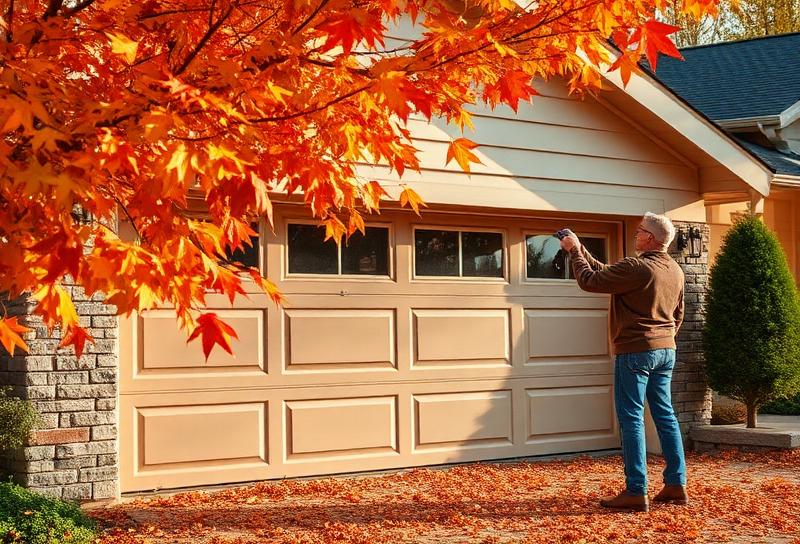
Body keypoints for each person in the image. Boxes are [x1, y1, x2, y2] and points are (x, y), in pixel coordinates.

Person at [559, 213, 687, 513]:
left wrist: (575, 252)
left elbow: (590, 281)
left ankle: (635, 490)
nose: (636, 234)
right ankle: (675, 484)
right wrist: (579, 247)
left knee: (631, 418)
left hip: (635, 352)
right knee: (665, 416)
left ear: (651, 239)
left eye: (640, 231)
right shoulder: (674, 271)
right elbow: (678, 313)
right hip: (666, 349)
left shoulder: (637, 266)